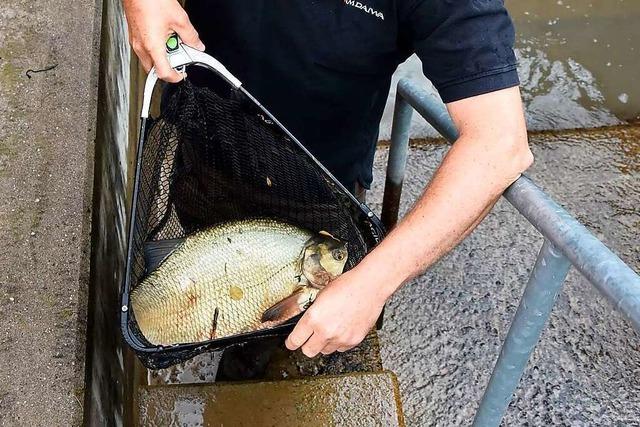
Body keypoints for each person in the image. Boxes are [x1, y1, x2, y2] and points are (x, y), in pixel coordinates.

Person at [124, 0, 533, 358]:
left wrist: (372, 284)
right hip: (203, 143)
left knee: (291, 331)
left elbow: (499, 143)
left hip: (320, 189)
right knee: (198, 282)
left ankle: (261, 357)